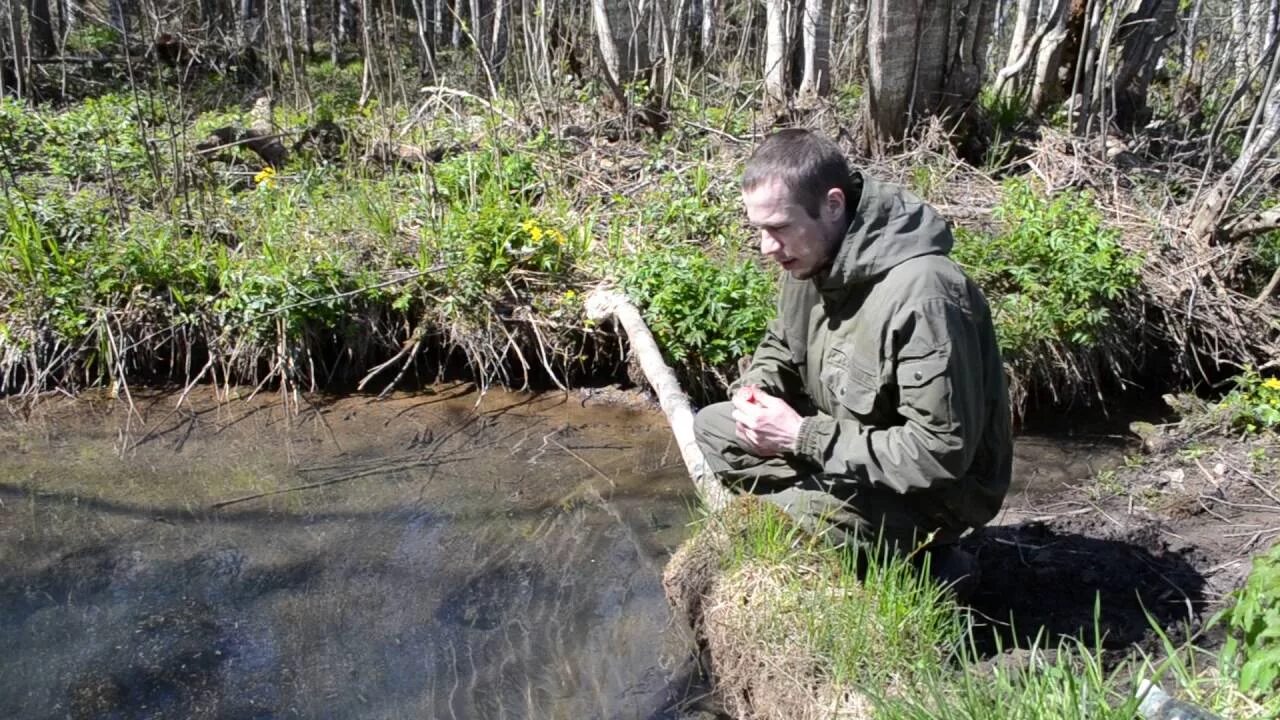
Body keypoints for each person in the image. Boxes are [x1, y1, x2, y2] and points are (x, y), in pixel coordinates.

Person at [693, 129, 1012, 588]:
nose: (766, 248)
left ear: (833, 205)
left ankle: (932, 561)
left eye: (779, 228)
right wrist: (756, 394)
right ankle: (848, 523)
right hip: (850, 449)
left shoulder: (926, 295)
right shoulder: (811, 261)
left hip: (938, 494)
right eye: (759, 230)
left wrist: (802, 436)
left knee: (777, 532)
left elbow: (938, 454)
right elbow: (782, 347)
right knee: (715, 427)